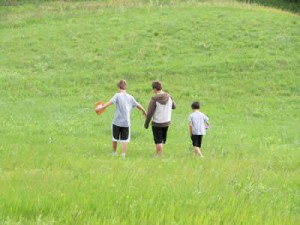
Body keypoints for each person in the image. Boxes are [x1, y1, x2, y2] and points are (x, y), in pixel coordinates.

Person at [96, 80, 147, 158]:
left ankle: (114, 153)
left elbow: (109, 103)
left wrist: (100, 108)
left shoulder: (117, 95)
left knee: (115, 138)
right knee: (125, 140)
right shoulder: (130, 97)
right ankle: (123, 155)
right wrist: (144, 111)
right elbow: (138, 105)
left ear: (118, 87)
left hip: (116, 121)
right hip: (126, 122)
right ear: (125, 87)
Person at [144, 80, 176, 156]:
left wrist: (146, 124)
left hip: (157, 123)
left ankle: (158, 155)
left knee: (158, 141)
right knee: (161, 140)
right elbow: (174, 106)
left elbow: (149, 114)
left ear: (155, 89)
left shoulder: (154, 99)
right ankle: (159, 153)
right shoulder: (169, 97)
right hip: (167, 122)